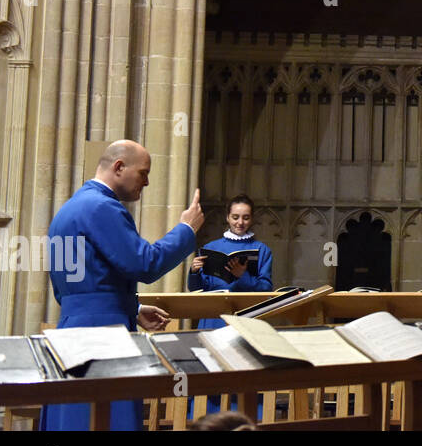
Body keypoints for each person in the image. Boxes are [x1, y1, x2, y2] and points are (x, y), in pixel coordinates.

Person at [41, 140, 203, 431]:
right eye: (143, 173)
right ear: (119, 167)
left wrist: (132, 307)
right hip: (104, 338)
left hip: (70, 332)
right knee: (106, 425)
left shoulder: (67, 211)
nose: (147, 181)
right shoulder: (102, 207)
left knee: (73, 422)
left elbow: (70, 288)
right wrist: (186, 230)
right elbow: (145, 264)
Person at [187, 194, 274, 329]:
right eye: (235, 217)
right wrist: (194, 272)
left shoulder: (262, 250)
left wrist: (243, 276)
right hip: (214, 316)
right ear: (227, 217)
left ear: (252, 219)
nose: (240, 222)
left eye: (246, 218)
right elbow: (197, 289)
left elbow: (266, 289)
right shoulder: (211, 248)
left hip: (246, 317)